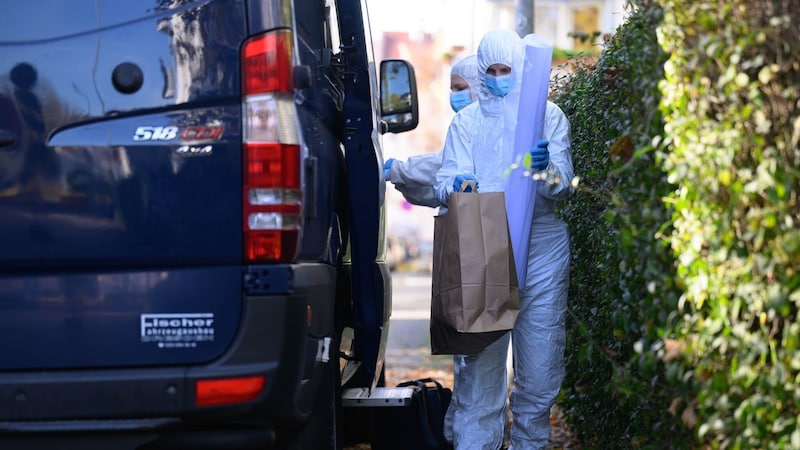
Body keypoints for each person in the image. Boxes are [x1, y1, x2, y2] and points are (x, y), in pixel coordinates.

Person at [433, 29, 574, 450]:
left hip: (542, 252)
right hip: (484, 251)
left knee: (539, 370)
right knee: (479, 374)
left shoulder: (547, 117)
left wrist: (545, 170)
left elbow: (564, 186)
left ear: (519, 68)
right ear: (480, 72)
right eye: (490, 71)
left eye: (505, 70)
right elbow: (444, 181)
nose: (497, 78)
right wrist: (456, 183)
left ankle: (531, 443)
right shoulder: (467, 122)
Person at [383, 54, 480, 207]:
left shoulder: (483, 126)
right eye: (452, 89)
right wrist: (403, 183)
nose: (454, 95)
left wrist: (399, 170)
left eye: (460, 88)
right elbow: (435, 189)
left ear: (478, 87)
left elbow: (438, 166)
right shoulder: (462, 124)